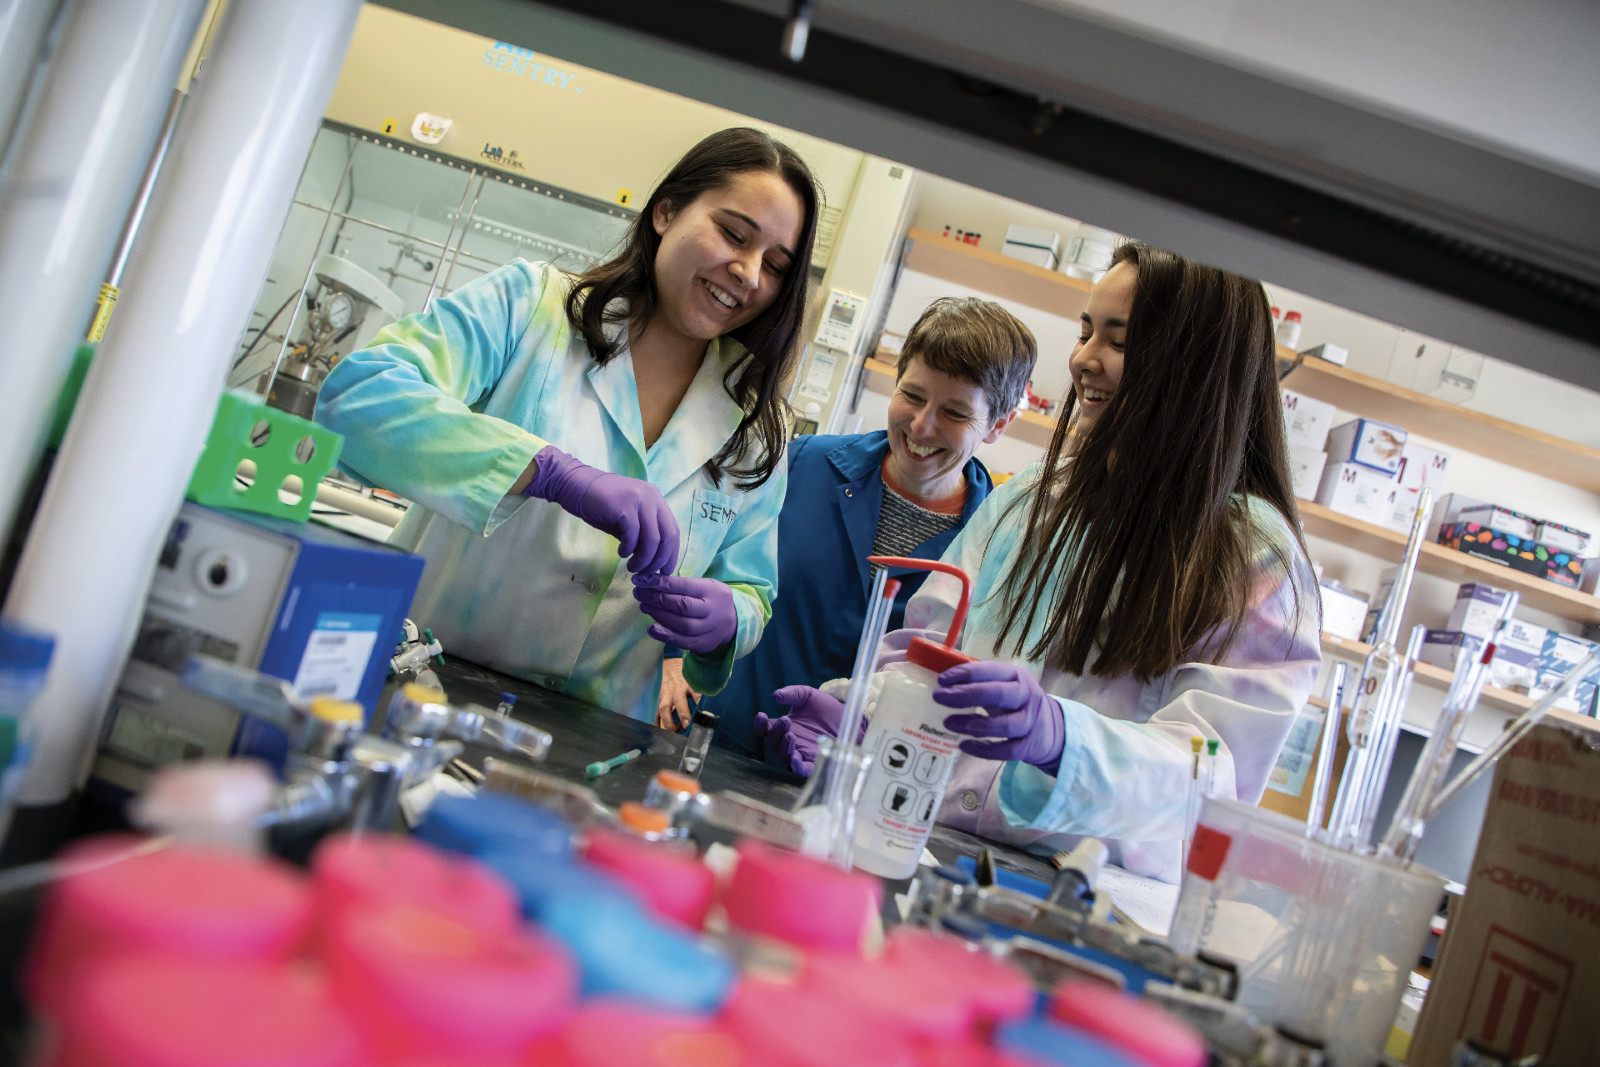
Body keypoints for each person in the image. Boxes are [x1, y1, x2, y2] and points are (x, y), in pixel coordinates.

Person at [759, 243, 1322, 881]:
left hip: (1080, 895)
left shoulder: (1253, 555)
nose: (1084, 358)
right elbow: (927, 646)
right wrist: (860, 714)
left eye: (1118, 339)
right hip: (928, 846)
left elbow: (1215, 777)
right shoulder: (1033, 496)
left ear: (1193, 364)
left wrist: (1062, 739)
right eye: (1086, 332)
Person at [315, 128, 820, 722]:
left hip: (591, 739)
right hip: (419, 687)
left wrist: (728, 619)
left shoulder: (758, 425)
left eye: (776, 265)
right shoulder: (532, 308)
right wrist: (549, 472)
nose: (749, 271)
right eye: (733, 234)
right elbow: (357, 395)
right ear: (666, 211)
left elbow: (752, 590)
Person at [656, 298, 1038, 760]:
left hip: (851, 779)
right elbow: (705, 552)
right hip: (721, 743)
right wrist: (673, 659)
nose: (921, 425)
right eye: (913, 396)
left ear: (998, 425)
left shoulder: (993, 543)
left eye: (956, 414)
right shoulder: (804, 462)